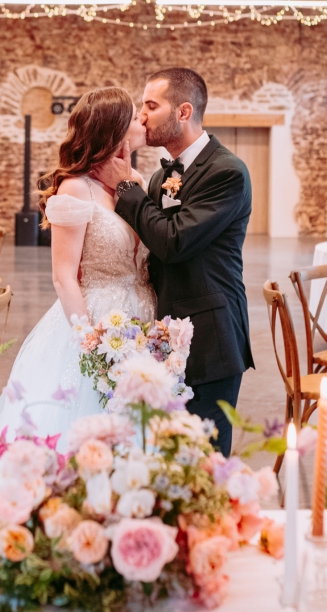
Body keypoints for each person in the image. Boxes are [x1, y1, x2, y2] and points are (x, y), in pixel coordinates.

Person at [0, 87, 155, 453]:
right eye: (135, 114)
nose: (143, 120)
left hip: (143, 319)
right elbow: (63, 276)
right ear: (115, 128)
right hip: (95, 319)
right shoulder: (76, 189)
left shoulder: (135, 182)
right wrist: (90, 341)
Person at [94, 67, 254, 456]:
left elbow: (174, 241)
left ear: (183, 112)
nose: (142, 116)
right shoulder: (159, 178)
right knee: (166, 461)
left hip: (210, 338)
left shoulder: (226, 172)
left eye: (151, 105)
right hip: (166, 337)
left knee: (204, 461)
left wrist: (125, 187)